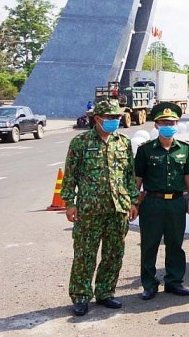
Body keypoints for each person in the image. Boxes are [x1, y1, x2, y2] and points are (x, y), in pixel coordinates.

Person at [60, 99, 139, 317]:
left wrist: (133, 201)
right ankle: (81, 296)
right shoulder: (81, 142)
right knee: (85, 254)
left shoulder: (123, 142)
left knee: (114, 253)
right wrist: (69, 203)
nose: (115, 121)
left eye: (117, 117)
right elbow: (70, 175)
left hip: (118, 207)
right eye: (110, 118)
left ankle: (105, 292)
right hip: (89, 209)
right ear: (97, 119)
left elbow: (129, 176)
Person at [134, 102, 189, 300]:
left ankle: (174, 281)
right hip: (152, 202)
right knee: (149, 244)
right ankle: (149, 284)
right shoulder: (145, 150)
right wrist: (133, 203)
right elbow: (138, 179)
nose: (168, 125)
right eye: (164, 122)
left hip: (176, 202)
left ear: (177, 124)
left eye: (172, 122)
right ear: (156, 125)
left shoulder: (184, 149)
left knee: (175, 243)